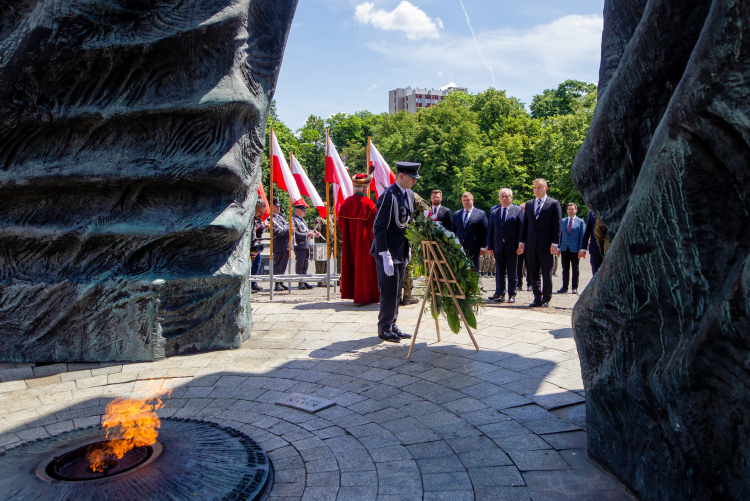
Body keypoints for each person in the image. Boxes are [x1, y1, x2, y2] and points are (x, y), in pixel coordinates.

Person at [371, 161, 420, 343]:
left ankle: (392, 324)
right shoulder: (388, 196)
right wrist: (385, 255)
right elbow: (379, 228)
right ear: (401, 176)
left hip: (400, 250)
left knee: (397, 291)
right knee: (389, 292)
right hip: (388, 252)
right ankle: (384, 328)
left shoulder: (408, 195)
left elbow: (406, 222)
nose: (414, 182)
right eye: (411, 178)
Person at [338, 171, 380, 304]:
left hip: (349, 242)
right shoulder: (370, 204)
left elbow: (340, 224)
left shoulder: (345, 203)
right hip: (365, 244)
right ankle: (366, 296)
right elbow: (373, 228)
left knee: (350, 265)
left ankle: (352, 293)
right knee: (365, 269)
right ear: (365, 188)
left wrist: (349, 234)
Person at [519, 179, 562, 307]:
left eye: (539, 187)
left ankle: (546, 298)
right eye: (535, 187)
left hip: (546, 245)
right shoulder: (530, 204)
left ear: (546, 188)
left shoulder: (553, 204)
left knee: (546, 272)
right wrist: (521, 241)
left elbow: (557, 225)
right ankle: (537, 297)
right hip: (531, 244)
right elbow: (525, 225)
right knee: (533, 272)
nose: (537, 190)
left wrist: (555, 243)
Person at [486, 188, 523, 303]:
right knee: (499, 272)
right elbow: (490, 230)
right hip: (498, 247)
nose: (504, 198)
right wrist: (490, 246)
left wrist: (520, 244)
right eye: (502, 196)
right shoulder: (494, 211)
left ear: (511, 198)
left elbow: (521, 229)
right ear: (499, 198)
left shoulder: (517, 210)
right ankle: (500, 293)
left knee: (512, 272)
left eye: (507, 196)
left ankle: (512, 294)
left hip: (512, 247)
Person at [401, 191, 430, 306]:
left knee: (395, 265)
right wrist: (422, 226)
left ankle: (395, 296)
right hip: (408, 233)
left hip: (391, 236)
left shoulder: (388, 193)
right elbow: (427, 210)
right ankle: (407, 296)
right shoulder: (410, 194)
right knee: (408, 264)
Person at [452, 192, 488, 270]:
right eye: (464, 200)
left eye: (468, 200)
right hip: (459, 247)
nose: (466, 202)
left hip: (474, 247)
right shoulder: (457, 214)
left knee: (473, 270)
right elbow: (453, 231)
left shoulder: (481, 214)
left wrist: (483, 247)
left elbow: (484, 231)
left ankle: (474, 283)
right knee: (460, 270)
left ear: (472, 200)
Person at [556, 203, 585, 294]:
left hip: (575, 249)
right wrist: (558, 247)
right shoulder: (563, 221)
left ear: (576, 210)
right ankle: (564, 287)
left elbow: (582, 237)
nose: (570, 211)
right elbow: (559, 236)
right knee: (565, 269)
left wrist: (581, 249)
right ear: (567, 210)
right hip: (564, 248)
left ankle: (574, 287)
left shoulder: (580, 222)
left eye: (572, 209)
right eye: (569, 209)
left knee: (575, 269)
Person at [292, 205, 320, 290]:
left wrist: (314, 235)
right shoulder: (293, 220)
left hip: (306, 245)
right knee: (300, 264)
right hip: (299, 245)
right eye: (303, 210)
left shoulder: (302, 220)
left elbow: (306, 231)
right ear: (297, 211)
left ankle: (304, 281)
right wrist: (306, 235)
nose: (305, 212)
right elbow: (295, 234)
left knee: (305, 264)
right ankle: (300, 282)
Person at [271, 198, 290, 292]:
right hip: (278, 244)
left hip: (285, 244)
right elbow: (275, 231)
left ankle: (281, 281)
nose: (278, 207)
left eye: (278, 206)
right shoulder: (271, 218)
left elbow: (285, 227)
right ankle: (277, 283)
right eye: (276, 206)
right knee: (278, 265)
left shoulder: (280, 217)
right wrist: (288, 230)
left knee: (284, 264)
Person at [251, 199, 270, 292]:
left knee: (257, 262)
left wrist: (264, 227)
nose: (262, 215)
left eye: (263, 212)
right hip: (249, 248)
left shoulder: (256, 219)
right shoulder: (248, 220)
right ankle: (251, 284)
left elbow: (256, 231)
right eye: (259, 212)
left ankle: (253, 283)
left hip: (255, 246)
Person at [580, 210, 603, 275]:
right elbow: (588, 230)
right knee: (596, 274)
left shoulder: (612, 208)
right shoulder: (592, 212)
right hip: (595, 248)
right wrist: (583, 248)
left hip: (609, 247)